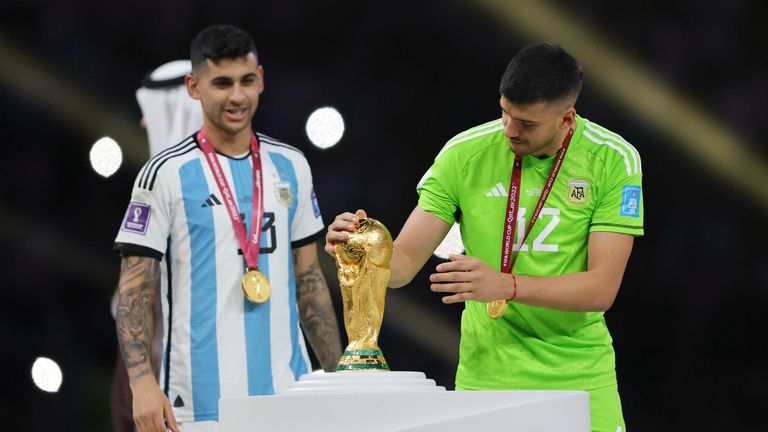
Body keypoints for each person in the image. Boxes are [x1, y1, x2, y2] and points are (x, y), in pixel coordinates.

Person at [326, 43, 643, 432]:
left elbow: (600, 289)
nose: (510, 131)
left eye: (526, 124)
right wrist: (364, 253)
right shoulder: (465, 154)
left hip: (580, 380)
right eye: (505, 113)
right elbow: (404, 264)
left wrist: (505, 285)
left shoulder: (613, 160)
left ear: (566, 118)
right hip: (485, 382)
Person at [114, 24, 342, 432]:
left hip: (288, 398)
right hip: (197, 405)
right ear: (193, 87)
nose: (236, 95)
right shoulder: (163, 174)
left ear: (261, 81)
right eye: (221, 83)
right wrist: (142, 384)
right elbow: (135, 289)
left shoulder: (292, 165)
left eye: (246, 81)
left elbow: (308, 280)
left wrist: (339, 375)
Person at [111, 59, 205, 432]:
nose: (144, 123)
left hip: (186, 384)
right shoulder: (152, 187)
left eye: (151, 112)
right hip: (145, 378)